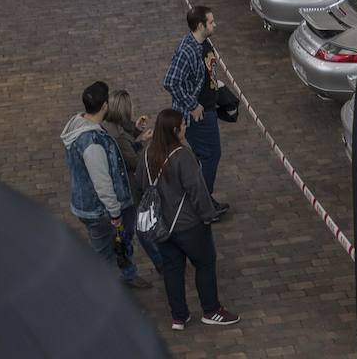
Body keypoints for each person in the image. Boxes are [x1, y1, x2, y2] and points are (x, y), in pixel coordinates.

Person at [134, 109, 239, 331]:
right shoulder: (183, 156)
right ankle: (211, 310)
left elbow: (141, 184)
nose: (185, 127)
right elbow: (197, 191)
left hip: (161, 225)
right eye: (183, 125)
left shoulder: (146, 154)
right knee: (204, 263)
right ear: (174, 130)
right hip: (188, 225)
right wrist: (208, 215)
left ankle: (179, 316)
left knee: (172, 269)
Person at [60, 81, 152, 289]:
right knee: (104, 256)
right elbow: (102, 183)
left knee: (119, 243)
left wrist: (135, 135)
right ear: (104, 107)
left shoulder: (82, 122)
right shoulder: (92, 143)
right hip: (100, 210)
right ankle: (104, 293)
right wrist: (115, 213)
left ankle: (127, 274)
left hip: (93, 205)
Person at [163, 5, 229, 219]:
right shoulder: (187, 50)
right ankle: (203, 203)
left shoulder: (203, 43)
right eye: (211, 22)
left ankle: (201, 198)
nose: (215, 24)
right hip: (197, 116)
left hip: (208, 109)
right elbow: (171, 82)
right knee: (211, 155)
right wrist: (192, 105)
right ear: (200, 25)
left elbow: (206, 72)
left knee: (206, 156)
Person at [104, 89, 163, 273]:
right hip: (128, 188)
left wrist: (136, 130)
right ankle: (159, 263)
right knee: (140, 227)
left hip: (122, 186)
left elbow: (126, 134)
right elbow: (134, 161)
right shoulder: (119, 137)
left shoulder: (109, 126)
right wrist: (144, 144)